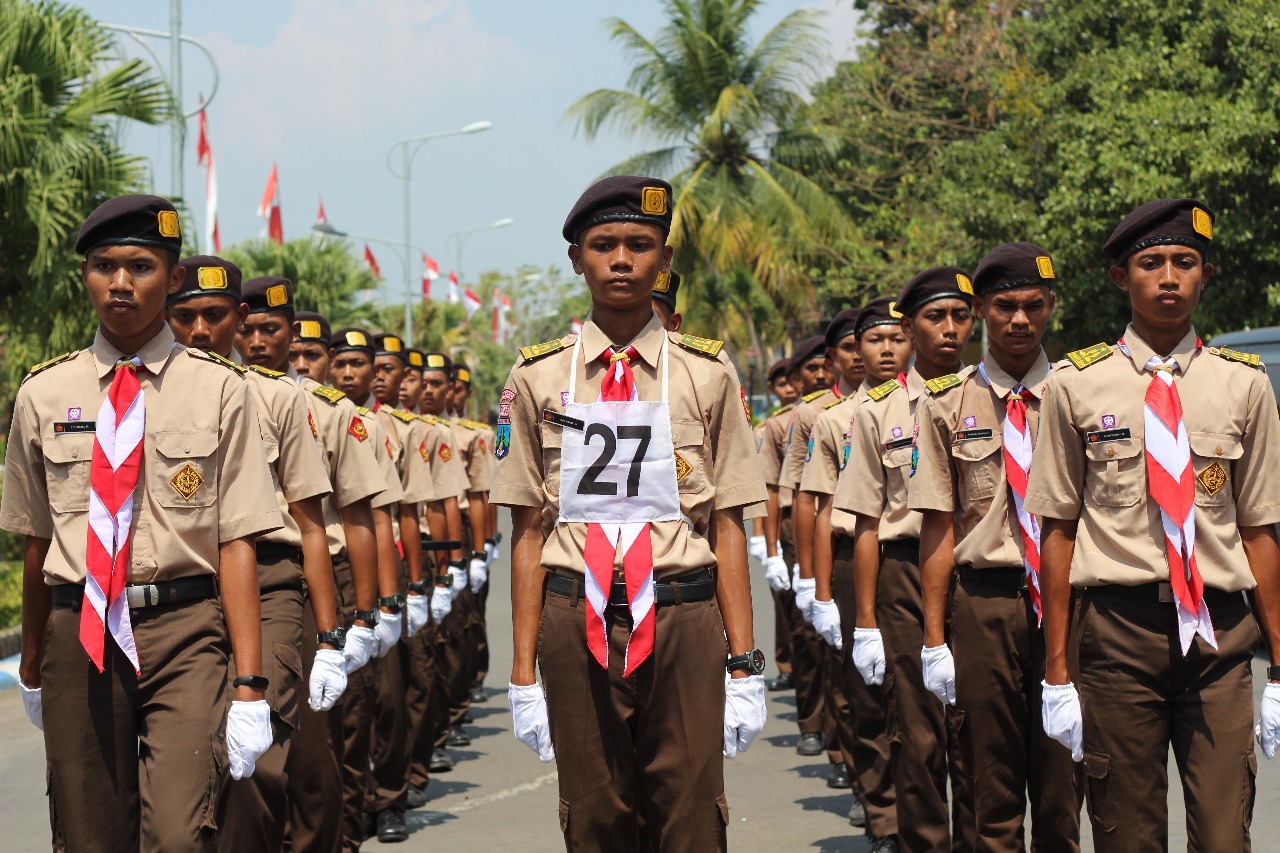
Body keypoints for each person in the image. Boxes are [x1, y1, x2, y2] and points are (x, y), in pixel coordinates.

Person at [492, 176, 768, 851]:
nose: (622, 259)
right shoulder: (538, 378)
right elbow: (528, 529)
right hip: (575, 614)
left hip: (681, 612)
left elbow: (728, 522)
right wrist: (522, 668)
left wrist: (744, 661)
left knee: (691, 815)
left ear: (664, 261)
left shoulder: (706, 373)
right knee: (594, 816)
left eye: (640, 245)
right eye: (604, 245)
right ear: (577, 259)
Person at [1, 195, 281, 852]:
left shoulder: (220, 389)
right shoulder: (44, 394)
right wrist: (34, 663)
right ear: (86, 276)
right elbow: (36, 542)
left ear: (172, 277)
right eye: (104, 266)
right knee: (88, 830)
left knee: (183, 834)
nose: (120, 283)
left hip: (186, 631)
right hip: (82, 633)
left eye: (139, 266)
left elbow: (238, 538)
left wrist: (249, 682)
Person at [1026, 199, 1280, 851]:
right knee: (1125, 833)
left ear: (1205, 273)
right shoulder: (1076, 387)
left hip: (1220, 639)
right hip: (1117, 635)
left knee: (1225, 835)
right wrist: (1058, 671)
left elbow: (1260, 530)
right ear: (1121, 278)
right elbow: (1056, 530)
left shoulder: (1243, 386)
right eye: (1151, 262)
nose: (1169, 276)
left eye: (1184, 262)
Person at [164, 262, 345, 852]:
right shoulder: (141, 395)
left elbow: (311, 525)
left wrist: (330, 637)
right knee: (190, 768)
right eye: (184, 316)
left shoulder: (278, 401)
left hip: (268, 585)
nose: (198, 330)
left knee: (258, 763)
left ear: (236, 322)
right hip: (184, 589)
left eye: (213, 316)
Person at [911, 244, 1083, 851]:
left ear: (1050, 308)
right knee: (991, 786)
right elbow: (938, 525)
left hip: (1071, 604)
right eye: (1005, 306)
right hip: (985, 606)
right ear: (981, 309)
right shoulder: (946, 402)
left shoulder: (1080, 394)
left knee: (1063, 789)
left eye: (1033, 307)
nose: (1019, 320)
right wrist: (934, 636)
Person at [242, 305, 386, 853]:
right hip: (227, 581)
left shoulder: (328, 412)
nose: (259, 342)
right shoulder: (225, 395)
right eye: (249, 330)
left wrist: (370, 613)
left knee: (322, 738)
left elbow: (359, 516)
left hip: (310, 577)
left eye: (274, 333)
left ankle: (352, 823)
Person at [843, 280, 976, 852]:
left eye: (961, 316)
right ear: (912, 327)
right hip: (903, 574)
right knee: (917, 729)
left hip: (974, 576)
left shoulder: (990, 397)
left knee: (975, 728)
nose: (950, 329)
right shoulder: (880, 410)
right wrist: (866, 621)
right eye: (935, 317)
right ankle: (922, 841)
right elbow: (867, 521)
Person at [803, 304, 906, 845]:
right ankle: (883, 813)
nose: (886, 350)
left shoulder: (930, 405)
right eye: (874, 341)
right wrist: (819, 589)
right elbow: (820, 508)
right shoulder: (833, 420)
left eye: (896, 338)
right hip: (851, 559)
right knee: (867, 692)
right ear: (855, 352)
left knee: (921, 694)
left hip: (915, 560)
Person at [797, 308, 868, 799]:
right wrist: (810, 579)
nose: (866, 355)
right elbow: (807, 498)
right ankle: (860, 775)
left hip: (910, 554)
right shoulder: (817, 416)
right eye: (851, 347)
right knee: (848, 674)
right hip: (844, 549)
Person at [762, 336, 833, 756]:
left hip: (841, 525)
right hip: (796, 526)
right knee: (806, 630)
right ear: (795, 377)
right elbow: (772, 486)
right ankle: (811, 721)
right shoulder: (784, 424)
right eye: (812, 369)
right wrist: (769, 547)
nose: (822, 374)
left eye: (827, 366)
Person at [753, 357, 799, 692]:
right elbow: (763, 486)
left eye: (792, 382)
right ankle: (786, 663)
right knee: (783, 600)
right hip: (781, 520)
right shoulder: (767, 429)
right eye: (782, 384)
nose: (789, 389)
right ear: (772, 389)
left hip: (806, 515)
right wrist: (762, 540)